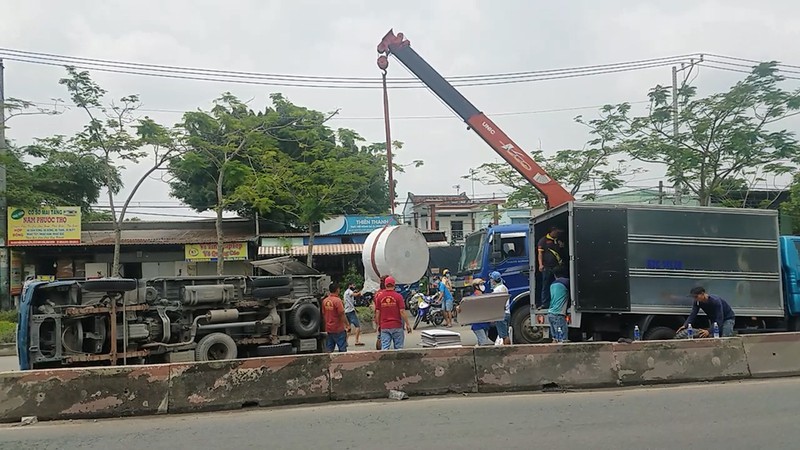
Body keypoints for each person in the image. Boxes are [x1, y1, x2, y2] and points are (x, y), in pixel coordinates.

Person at [374, 276, 413, 350]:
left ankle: (384, 361)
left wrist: (378, 325)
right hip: (397, 326)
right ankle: (398, 362)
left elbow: (377, 312)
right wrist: (407, 324)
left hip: (384, 326)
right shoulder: (399, 297)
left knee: (385, 348)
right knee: (398, 349)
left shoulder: (380, 297)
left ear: (385, 285)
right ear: (394, 285)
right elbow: (402, 311)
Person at [537, 227, 565, 309]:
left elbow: (562, 252)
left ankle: (558, 302)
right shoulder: (543, 240)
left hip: (558, 267)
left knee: (559, 285)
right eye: (556, 232)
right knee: (546, 285)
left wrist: (562, 246)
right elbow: (540, 254)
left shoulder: (558, 240)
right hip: (547, 267)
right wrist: (540, 265)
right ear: (552, 231)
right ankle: (545, 303)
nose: (557, 234)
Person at [322, 282, 350, 352]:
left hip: (329, 328)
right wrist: (347, 325)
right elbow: (342, 314)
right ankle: (342, 362)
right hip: (338, 329)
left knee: (329, 349)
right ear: (337, 290)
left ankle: (329, 362)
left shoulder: (325, 301)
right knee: (342, 348)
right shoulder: (337, 301)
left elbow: (323, 313)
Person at [466, 278, 492, 346]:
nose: (483, 286)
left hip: (486, 324)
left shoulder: (486, 297)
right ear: (476, 286)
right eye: (481, 284)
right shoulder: (472, 298)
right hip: (478, 325)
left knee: (482, 342)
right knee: (483, 342)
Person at [547, 267, 570, 342]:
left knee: (555, 337)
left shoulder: (552, 284)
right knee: (562, 338)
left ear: (555, 275)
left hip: (550, 312)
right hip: (558, 314)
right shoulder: (566, 282)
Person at [490, 271, 511, 345]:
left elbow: (496, 304)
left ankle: (507, 350)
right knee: (506, 334)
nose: (491, 281)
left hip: (501, 314)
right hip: (507, 313)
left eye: (491, 279)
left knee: (504, 336)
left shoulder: (497, 290)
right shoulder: (504, 287)